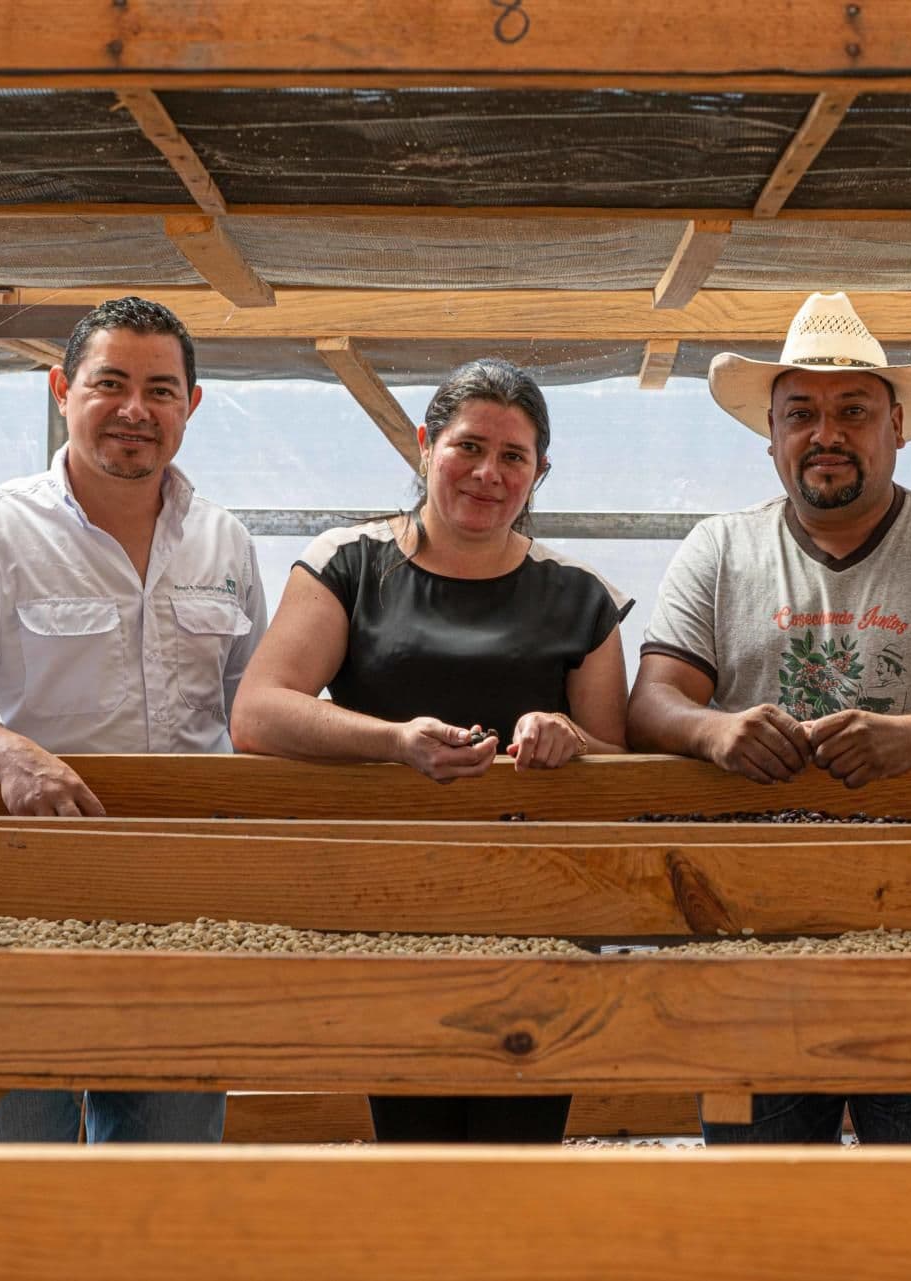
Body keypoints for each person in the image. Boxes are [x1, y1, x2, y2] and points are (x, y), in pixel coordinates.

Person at [627, 292, 911, 1145]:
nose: (827, 434)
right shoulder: (721, 546)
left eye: (853, 411)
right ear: (771, 435)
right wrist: (716, 731)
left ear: (897, 426)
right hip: (748, 921)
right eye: (801, 415)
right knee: (762, 1190)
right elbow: (653, 700)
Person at [0, 295, 264, 1144]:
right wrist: (8, 752)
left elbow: (255, 708)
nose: (135, 409)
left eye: (161, 390)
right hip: (19, 891)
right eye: (109, 383)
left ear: (191, 405)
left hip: (180, 899)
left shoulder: (224, 543)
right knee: (13, 1157)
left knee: (166, 1154)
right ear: (61, 389)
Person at [231, 357, 629, 1142]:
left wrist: (568, 738)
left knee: (521, 1142)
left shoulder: (580, 595)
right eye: (468, 446)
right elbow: (257, 711)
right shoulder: (349, 563)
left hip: (538, 916)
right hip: (390, 901)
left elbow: (618, 760)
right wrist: (393, 741)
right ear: (424, 445)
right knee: (413, 1139)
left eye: (513, 456)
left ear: (539, 472)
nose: (488, 472)